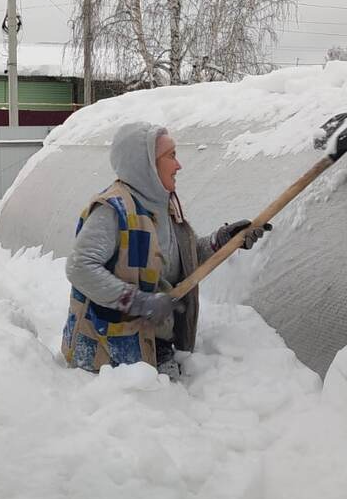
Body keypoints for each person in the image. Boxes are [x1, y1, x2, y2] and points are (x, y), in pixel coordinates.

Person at [62, 122, 270, 377]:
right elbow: (79, 267)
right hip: (107, 359)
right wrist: (138, 301)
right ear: (146, 164)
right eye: (170, 156)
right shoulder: (113, 210)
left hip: (152, 345)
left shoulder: (163, 207)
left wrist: (223, 240)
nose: (179, 165)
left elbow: (178, 261)